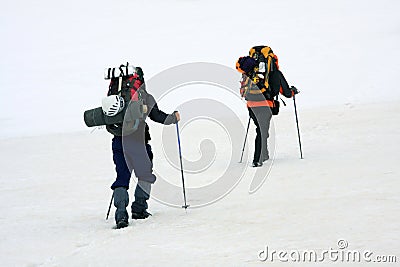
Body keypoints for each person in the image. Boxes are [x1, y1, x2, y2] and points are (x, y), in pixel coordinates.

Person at [106, 67, 180, 229]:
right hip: (139, 142)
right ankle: (139, 209)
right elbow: (157, 116)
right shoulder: (144, 96)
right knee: (145, 174)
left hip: (119, 142)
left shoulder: (114, 96)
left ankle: (120, 214)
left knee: (122, 177)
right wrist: (173, 118)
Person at [236, 47, 299, 167]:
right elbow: (285, 92)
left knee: (262, 129)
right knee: (261, 130)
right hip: (266, 105)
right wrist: (292, 92)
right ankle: (257, 159)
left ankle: (264, 154)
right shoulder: (275, 73)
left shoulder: (250, 71)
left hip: (251, 105)